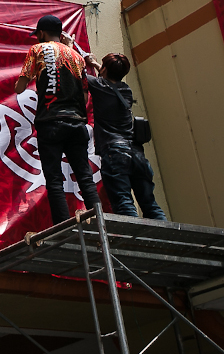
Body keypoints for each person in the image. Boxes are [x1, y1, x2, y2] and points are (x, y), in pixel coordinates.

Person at [14, 15, 101, 225]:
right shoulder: (76, 57)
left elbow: (20, 87)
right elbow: (84, 97)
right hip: (76, 122)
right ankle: (100, 223)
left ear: (42, 33)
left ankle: (63, 227)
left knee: (54, 180)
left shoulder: (37, 50)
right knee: (85, 177)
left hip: (50, 122)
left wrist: (34, 80)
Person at [81, 51, 166, 220]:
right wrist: (97, 64)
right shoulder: (126, 90)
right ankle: (167, 236)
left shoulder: (98, 86)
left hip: (115, 153)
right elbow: (109, 77)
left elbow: (78, 73)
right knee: (150, 205)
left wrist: (70, 47)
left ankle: (133, 238)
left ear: (105, 69)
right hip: (137, 154)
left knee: (124, 203)